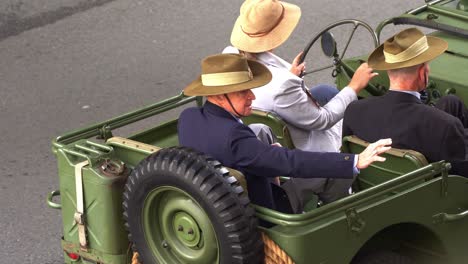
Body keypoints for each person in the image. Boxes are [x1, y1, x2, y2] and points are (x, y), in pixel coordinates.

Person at [178, 53, 392, 213]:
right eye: (243, 91)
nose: (252, 96)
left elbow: (241, 150)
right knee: (329, 166)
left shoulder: (188, 118)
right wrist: (354, 160)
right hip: (268, 211)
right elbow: (291, 162)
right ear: (220, 96)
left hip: (220, 202)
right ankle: (341, 215)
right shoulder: (234, 137)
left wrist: (262, 156)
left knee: (260, 130)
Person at [223, 0, 378, 207]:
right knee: (358, 113)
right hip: (306, 142)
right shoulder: (282, 86)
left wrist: (291, 77)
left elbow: (272, 89)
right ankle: (346, 195)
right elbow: (323, 120)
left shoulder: (230, 55)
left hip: (277, 120)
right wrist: (354, 86)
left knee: (325, 91)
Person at [343, 27, 467, 176]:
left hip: (382, 186)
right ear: (423, 73)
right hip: (432, 195)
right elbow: (461, 180)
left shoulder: (354, 111)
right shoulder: (445, 125)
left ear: (389, 70)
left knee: (450, 102)